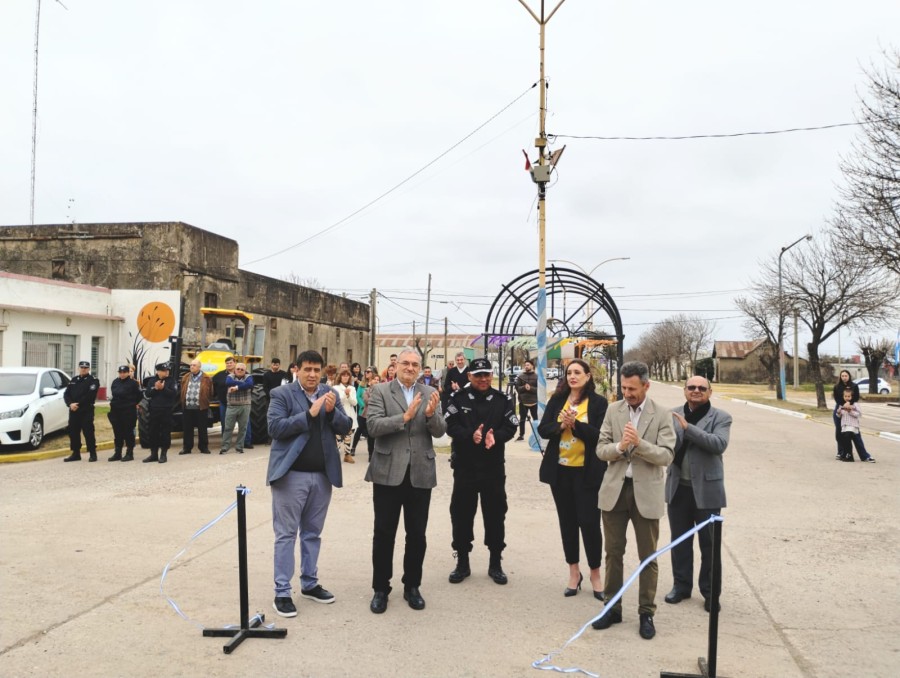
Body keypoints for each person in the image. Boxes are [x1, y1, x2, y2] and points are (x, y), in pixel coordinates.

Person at [592, 361, 675, 640]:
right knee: (613, 553)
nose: (627, 393)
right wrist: (620, 447)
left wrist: (639, 444)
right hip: (615, 491)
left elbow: (666, 456)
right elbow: (601, 450)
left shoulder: (662, 414)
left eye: (632, 388)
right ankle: (611, 608)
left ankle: (646, 613)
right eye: (624, 387)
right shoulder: (613, 410)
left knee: (647, 557)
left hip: (646, 493)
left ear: (646, 386)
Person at [266, 350, 352, 618]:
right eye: (307, 370)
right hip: (291, 476)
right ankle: (282, 591)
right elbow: (275, 428)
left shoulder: (331, 394)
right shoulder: (281, 395)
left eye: (317, 370)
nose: (313, 375)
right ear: (297, 370)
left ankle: (309, 583)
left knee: (312, 534)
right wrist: (310, 414)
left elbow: (345, 426)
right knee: (286, 535)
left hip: (322, 476)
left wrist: (330, 412)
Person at [365, 348, 446, 614]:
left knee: (417, 535)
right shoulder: (380, 391)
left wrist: (430, 415)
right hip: (388, 471)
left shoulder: (429, 392)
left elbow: (440, 431)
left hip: (420, 471)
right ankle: (380, 588)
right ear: (396, 365)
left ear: (421, 368)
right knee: (384, 533)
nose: (410, 368)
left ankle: (412, 586)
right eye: (405, 363)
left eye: (415, 364)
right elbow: (373, 427)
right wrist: (405, 417)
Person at [537, 359, 609, 599]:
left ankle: (596, 574)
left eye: (578, 372)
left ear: (588, 376)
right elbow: (544, 429)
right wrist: (561, 425)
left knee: (589, 524)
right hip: (561, 472)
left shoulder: (598, 403)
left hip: (587, 474)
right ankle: (573, 572)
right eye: (569, 372)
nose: (572, 376)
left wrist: (575, 425)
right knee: (567, 523)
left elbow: (601, 436)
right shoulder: (558, 400)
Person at [445, 358, 518, 585]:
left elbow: (511, 426)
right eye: (478, 375)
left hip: (493, 469)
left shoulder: (503, 400)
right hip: (465, 468)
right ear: (469, 376)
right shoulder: (457, 399)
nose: (483, 379)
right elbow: (450, 426)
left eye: (487, 374)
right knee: (461, 515)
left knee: (496, 515)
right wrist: (471, 435)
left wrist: (495, 436)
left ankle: (495, 562)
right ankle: (462, 562)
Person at [664, 376, 732, 613]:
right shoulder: (671, 415)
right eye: (691, 387)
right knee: (679, 542)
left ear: (710, 392)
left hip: (707, 491)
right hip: (678, 489)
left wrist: (687, 428)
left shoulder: (721, 417)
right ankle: (681, 587)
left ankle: (711, 593)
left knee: (709, 545)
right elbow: (664, 446)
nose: (696, 391)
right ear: (684, 390)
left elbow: (718, 444)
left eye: (701, 388)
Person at [63, 360, 100, 462]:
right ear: (78, 368)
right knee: (73, 432)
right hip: (74, 411)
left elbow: (90, 395)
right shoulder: (74, 380)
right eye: (81, 367)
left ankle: (92, 453)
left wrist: (77, 404)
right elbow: (66, 394)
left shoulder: (93, 380)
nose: (83, 369)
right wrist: (70, 404)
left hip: (86, 410)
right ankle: (76, 453)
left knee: (88, 432)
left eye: (85, 368)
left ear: (88, 369)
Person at [142, 362, 179, 464]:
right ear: (158, 371)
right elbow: (148, 393)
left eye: (167, 370)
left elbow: (174, 393)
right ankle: (154, 454)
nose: (166, 372)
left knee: (165, 432)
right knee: (153, 432)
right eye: (164, 370)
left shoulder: (171, 381)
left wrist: (163, 389)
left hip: (166, 410)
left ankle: (163, 454)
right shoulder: (152, 381)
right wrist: (156, 388)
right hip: (154, 410)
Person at [831, 370, 872, 461]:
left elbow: (856, 397)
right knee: (840, 433)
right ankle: (841, 452)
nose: (844, 377)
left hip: (852, 408)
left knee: (855, 434)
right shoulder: (837, 387)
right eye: (842, 376)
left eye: (846, 375)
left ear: (849, 376)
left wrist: (849, 404)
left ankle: (865, 455)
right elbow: (837, 398)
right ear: (840, 377)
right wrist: (843, 405)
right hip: (840, 408)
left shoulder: (854, 386)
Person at [107, 364, 142, 462]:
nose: (122, 374)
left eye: (124, 372)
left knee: (128, 433)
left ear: (128, 373)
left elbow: (139, 396)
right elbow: (114, 394)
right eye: (120, 372)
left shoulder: (133, 383)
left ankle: (129, 453)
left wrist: (132, 403)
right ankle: (117, 453)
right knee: (117, 433)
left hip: (128, 411)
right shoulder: (115, 382)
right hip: (116, 411)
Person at [179, 359, 213, 455]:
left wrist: (205, 400)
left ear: (199, 367)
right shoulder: (185, 377)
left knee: (202, 428)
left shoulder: (206, 378)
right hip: (187, 407)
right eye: (191, 365)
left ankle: (203, 447)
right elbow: (182, 390)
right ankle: (187, 448)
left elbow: (211, 392)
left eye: (194, 365)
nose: (192, 367)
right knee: (187, 428)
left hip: (201, 407)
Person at [837, 387, 875, 463]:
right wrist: (840, 411)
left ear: (852, 396)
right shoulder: (841, 405)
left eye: (849, 396)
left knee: (858, 442)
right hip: (844, 426)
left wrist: (850, 411)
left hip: (853, 426)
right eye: (845, 396)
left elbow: (859, 414)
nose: (847, 398)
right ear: (843, 396)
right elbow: (838, 415)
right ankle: (847, 455)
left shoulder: (855, 404)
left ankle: (864, 457)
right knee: (846, 442)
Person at [351, 370, 379, 458]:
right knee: (359, 430)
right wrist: (362, 405)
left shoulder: (378, 387)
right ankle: (353, 447)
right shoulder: (362, 384)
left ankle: (371, 453)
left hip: (373, 412)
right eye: (366, 372)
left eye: (369, 372)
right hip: (363, 411)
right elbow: (358, 396)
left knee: (371, 433)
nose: (367, 373)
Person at [333, 368, 358, 464]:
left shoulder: (352, 388)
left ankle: (347, 455)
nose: (345, 377)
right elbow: (337, 401)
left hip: (350, 414)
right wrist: (345, 394)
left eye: (347, 375)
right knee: (338, 436)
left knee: (348, 435)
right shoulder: (335, 388)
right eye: (343, 375)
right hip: (339, 413)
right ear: (340, 377)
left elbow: (354, 402)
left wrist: (349, 396)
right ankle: (335, 455)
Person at [514, 359, 539, 441]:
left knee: (535, 419)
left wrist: (530, 388)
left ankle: (537, 435)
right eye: (525, 365)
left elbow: (539, 390)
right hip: (523, 402)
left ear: (532, 366)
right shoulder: (521, 376)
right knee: (522, 419)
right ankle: (521, 435)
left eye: (528, 365)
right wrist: (524, 387)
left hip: (534, 402)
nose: (526, 366)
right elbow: (517, 388)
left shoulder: (536, 377)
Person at [212, 356, 236, 433]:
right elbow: (212, 386)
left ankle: (246, 442)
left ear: (235, 363)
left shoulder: (241, 373)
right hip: (224, 403)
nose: (229, 364)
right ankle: (225, 442)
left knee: (244, 423)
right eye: (227, 363)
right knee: (224, 423)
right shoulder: (219, 375)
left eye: (230, 363)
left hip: (240, 403)